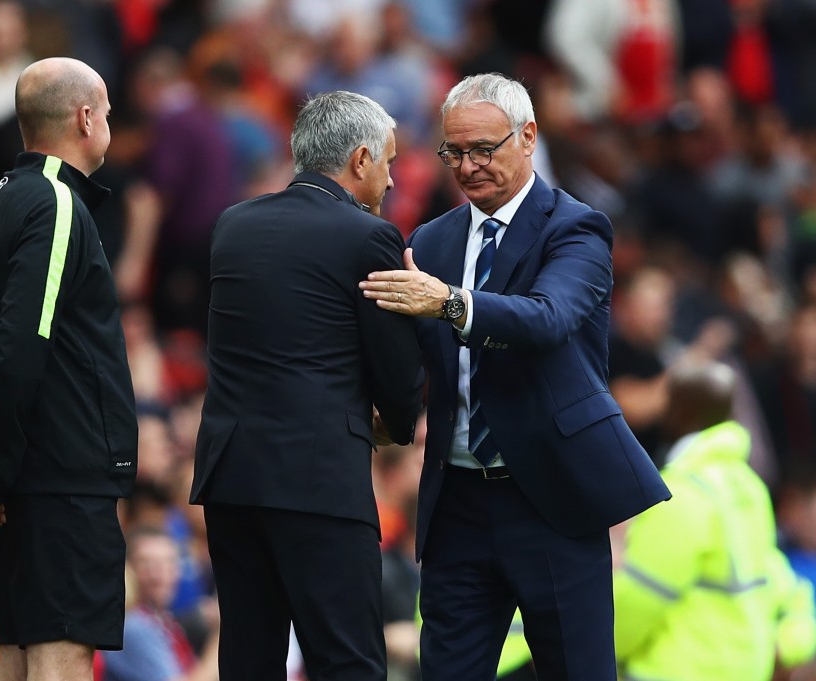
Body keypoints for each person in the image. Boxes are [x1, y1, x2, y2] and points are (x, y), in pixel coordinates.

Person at [359, 72, 670, 680]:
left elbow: (547, 320)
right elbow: (409, 354)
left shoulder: (575, 228)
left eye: (485, 149)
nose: (469, 166)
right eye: (455, 152)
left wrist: (451, 301)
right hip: (458, 505)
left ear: (528, 137)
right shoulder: (432, 240)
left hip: (551, 498)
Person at [190, 90, 423, 681]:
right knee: (347, 657)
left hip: (232, 474)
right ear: (361, 159)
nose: (393, 181)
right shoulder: (369, 238)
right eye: (390, 163)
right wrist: (395, 424)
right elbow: (396, 372)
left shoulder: (232, 225)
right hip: (319, 477)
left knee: (247, 655)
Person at [0, 57, 138, 681]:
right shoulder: (56, 203)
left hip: (23, 474)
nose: (109, 123)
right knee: (58, 655)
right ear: (84, 118)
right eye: (105, 112)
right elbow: (19, 347)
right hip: (60, 477)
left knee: (21, 657)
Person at [613, 359, 816, 681]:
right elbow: (783, 584)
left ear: (679, 410)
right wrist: (786, 646)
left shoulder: (679, 492)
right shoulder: (747, 486)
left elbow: (638, 603)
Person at [103, 527, 218, 681]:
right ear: (127, 569)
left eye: (168, 563)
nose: (158, 574)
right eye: (147, 563)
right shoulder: (133, 626)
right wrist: (219, 638)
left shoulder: (165, 622)